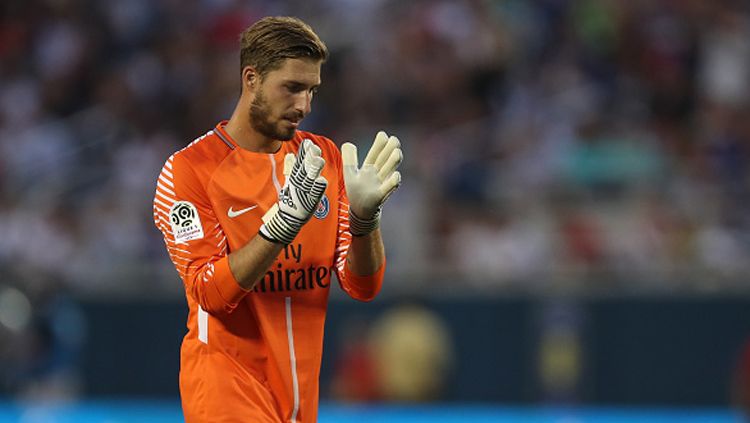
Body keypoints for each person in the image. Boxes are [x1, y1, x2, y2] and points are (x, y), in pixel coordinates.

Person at [152, 16, 402, 423]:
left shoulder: (324, 160)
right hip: (224, 395)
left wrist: (364, 220)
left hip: (299, 400)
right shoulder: (189, 171)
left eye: (312, 91)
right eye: (292, 88)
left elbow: (362, 285)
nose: (304, 106)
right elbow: (208, 293)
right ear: (251, 79)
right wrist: (279, 227)